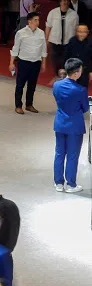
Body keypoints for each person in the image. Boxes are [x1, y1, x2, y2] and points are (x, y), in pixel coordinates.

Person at [52, 58, 89, 193]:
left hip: (60, 123)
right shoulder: (80, 90)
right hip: (75, 126)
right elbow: (85, 108)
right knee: (72, 155)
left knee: (59, 153)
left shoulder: (56, 85)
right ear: (76, 73)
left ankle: (58, 183)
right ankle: (71, 184)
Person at [10, 11, 47, 114]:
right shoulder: (21, 33)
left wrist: (44, 63)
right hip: (23, 62)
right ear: (29, 21)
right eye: (35, 20)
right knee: (20, 85)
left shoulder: (41, 33)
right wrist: (11, 62)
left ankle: (29, 105)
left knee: (32, 85)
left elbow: (44, 49)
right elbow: (15, 48)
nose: (37, 22)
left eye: (38, 20)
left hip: (36, 62)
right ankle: (18, 105)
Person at [45, 0, 79, 77]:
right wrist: (46, 39)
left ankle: (64, 75)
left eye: (67, 0)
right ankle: (57, 74)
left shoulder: (74, 14)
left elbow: (76, 29)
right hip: (55, 41)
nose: (65, 2)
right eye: (64, 0)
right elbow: (48, 26)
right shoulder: (53, 12)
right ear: (60, 2)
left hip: (68, 42)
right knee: (55, 60)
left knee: (66, 59)